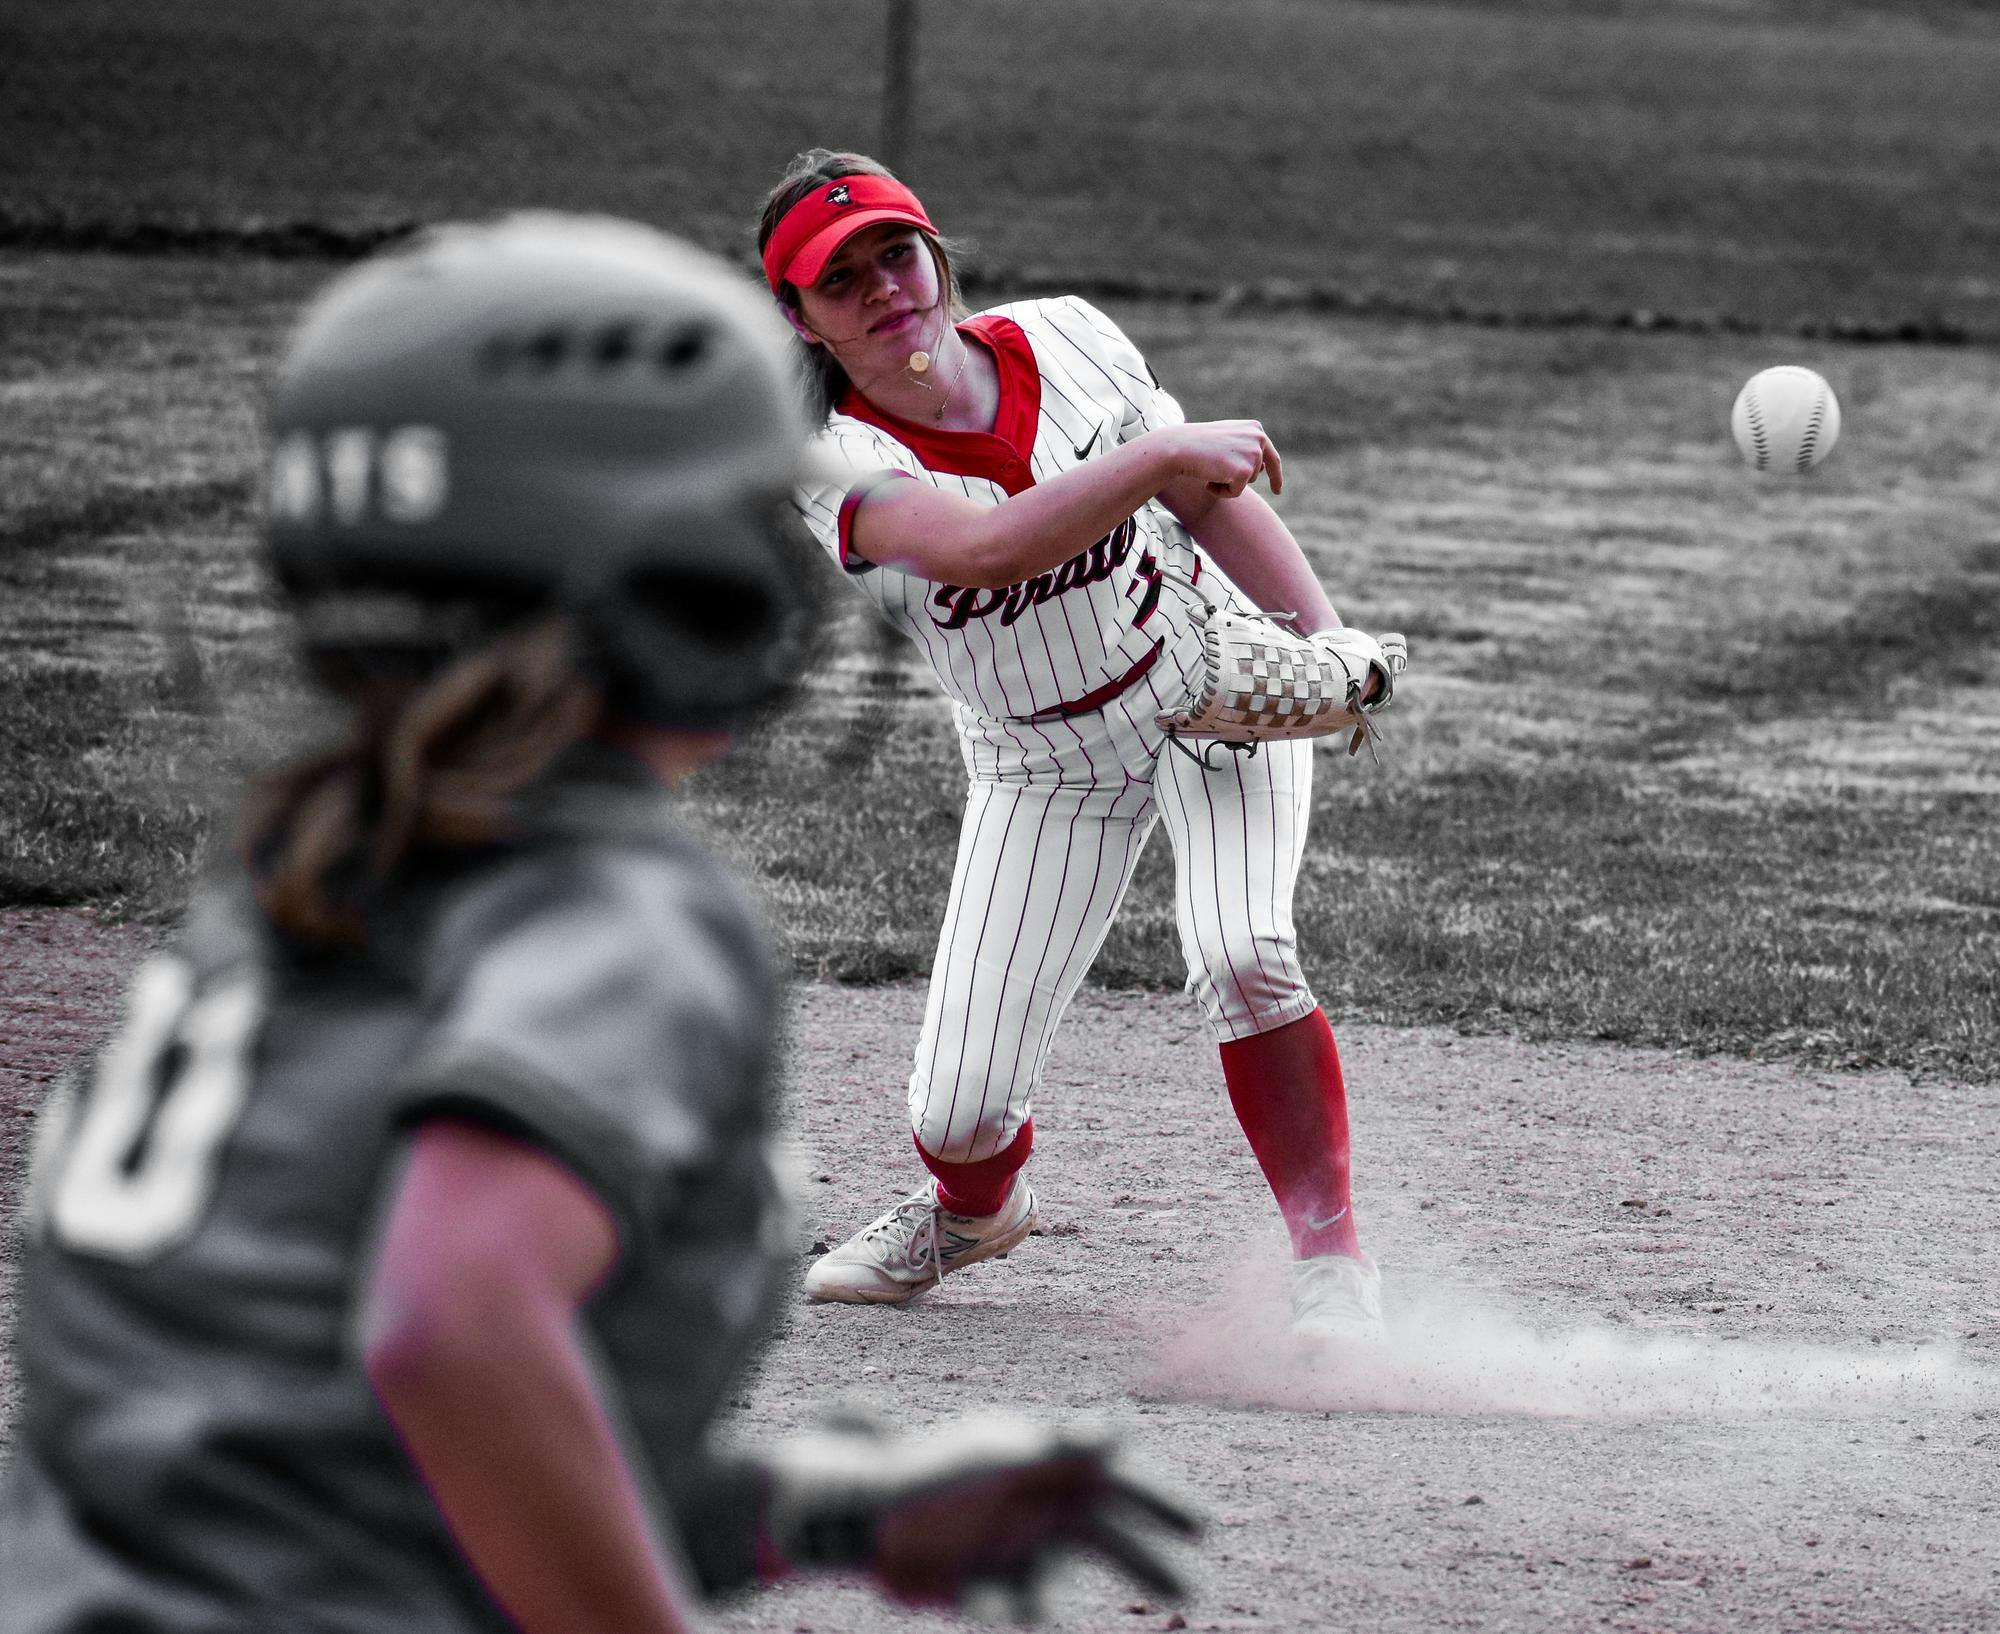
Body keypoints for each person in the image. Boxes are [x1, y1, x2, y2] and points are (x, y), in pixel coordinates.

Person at [0, 215, 1195, 1633]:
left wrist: (823, 1513)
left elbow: (335, 1461)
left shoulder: (291, 888)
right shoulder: (612, 914)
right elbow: (449, 1338)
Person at [759, 151, 1407, 1341]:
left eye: (892, 252)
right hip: (1041, 758)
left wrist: (1326, 638)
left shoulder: (1065, 337)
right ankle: (973, 1208)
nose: (881, 287)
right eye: (837, 279)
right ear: (798, 317)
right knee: (956, 1111)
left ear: (934, 250)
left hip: (1212, 679)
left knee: (1242, 949)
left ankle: (1330, 1263)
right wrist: (1155, 457)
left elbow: (1211, 499)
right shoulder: (831, 459)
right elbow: (985, 548)